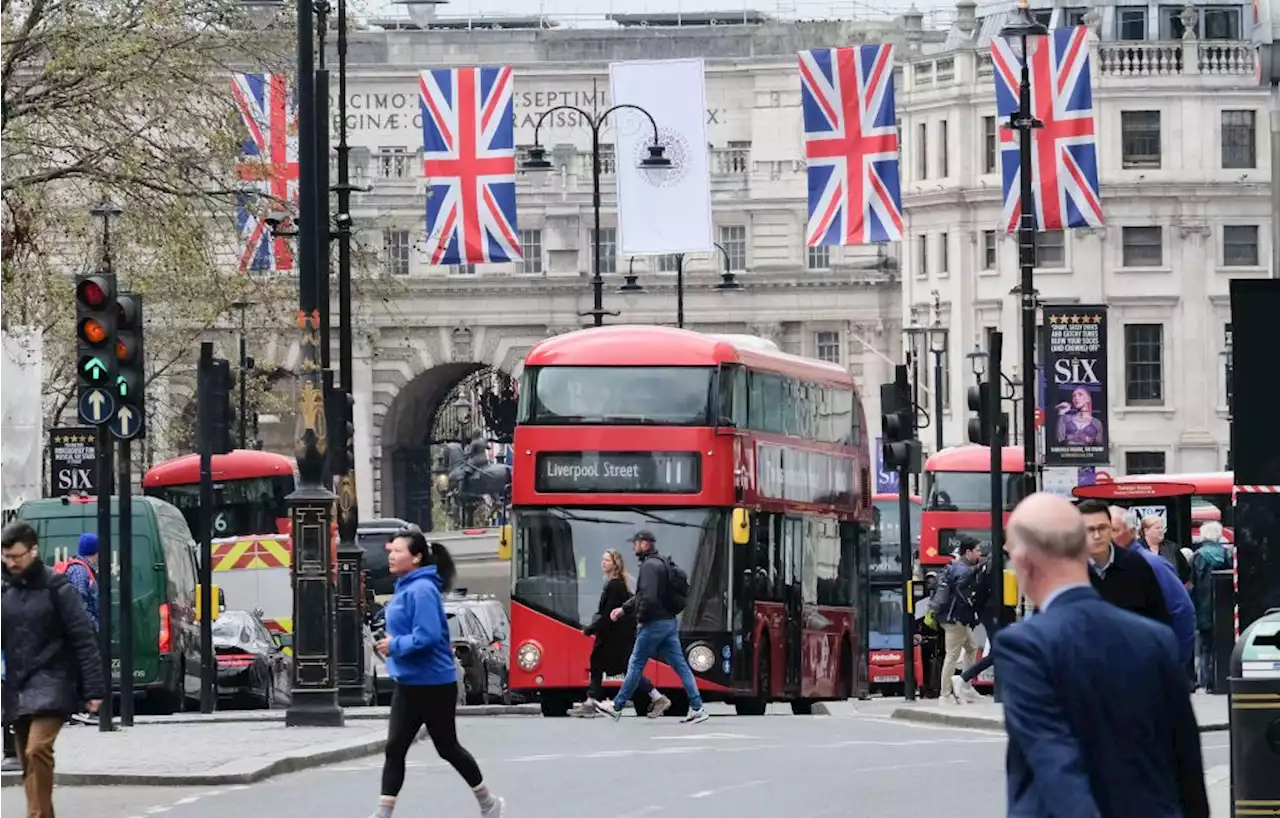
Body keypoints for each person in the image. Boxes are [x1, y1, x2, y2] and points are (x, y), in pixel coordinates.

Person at [995, 493, 1208, 818]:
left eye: (1010, 552)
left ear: (1025, 560)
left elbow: (1055, 763)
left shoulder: (1025, 646)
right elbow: (1186, 760)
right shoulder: (1155, 639)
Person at [370, 530, 504, 818]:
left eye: (398, 551)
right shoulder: (406, 586)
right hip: (409, 681)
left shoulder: (422, 590)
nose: (391, 556)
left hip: (433, 683)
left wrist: (395, 645)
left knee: (447, 747)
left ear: (416, 557)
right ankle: (383, 813)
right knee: (395, 748)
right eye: (390, 550)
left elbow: (428, 637)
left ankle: (489, 803)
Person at [0, 521, 104, 818]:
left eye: (17, 556)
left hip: (54, 680)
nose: (11, 563)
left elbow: (83, 638)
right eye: (5, 557)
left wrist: (94, 688)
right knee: (27, 763)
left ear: (33, 551)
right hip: (18, 685)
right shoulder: (4, 590)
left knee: (37, 750)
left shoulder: (57, 587)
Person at [593, 531, 709, 724]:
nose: (633, 547)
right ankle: (697, 707)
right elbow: (642, 595)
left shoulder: (649, 567)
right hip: (669, 622)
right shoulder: (662, 563)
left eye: (635, 544)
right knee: (681, 666)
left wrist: (641, 619)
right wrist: (623, 609)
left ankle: (617, 706)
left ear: (644, 544)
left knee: (635, 664)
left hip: (653, 623)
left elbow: (647, 598)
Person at [573, 549, 669, 718]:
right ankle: (591, 701)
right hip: (613, 635)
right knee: (598, 663)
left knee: (626, 669)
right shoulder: (614, 583)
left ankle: (657, 697)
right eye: (602, 560)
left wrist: (591, 629)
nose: (603, 563)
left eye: (607, 560)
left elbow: (608, 613)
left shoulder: (615, 585)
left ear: (615, 564)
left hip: (617, 637)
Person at [1105, 506, 1195, 672]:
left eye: (1113, 530)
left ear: (1131, 531)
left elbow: (1182, 611)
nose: (1106, 537)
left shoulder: (1153, 565)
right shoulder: (1100, 567)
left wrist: (1174, 663)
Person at [1080, 500, 1170, 625]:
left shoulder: (1136, 564)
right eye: (1089, 530)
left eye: (1102, 528)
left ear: (1110, 528)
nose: (1097, 536)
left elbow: (1160, 615)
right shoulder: (1068, 570)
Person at [930, 536, 982, 704]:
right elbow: (965, 593)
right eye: (978, 551)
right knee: (952, 655)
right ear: (968, 552)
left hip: (955, 618)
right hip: (955, 619)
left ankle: (966, 686)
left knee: (972, 647)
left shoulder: (956, 566)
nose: (980, 554)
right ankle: (945, 694)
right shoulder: (963, 570)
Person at [1190, 521, 1232, 691]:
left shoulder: (1198, 556)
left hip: (1203, 607)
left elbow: (1192, 584)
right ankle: (1222, 679)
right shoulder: (1226, 554)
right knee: (1223, 644)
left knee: (1205, 646)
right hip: (1224, 608)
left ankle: (1207, 682)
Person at [58, 533, 100, 630]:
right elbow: (79, 606)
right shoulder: (80, 572)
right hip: (81, 631)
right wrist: (95, 626)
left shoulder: (84, 569)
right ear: (96, 552)